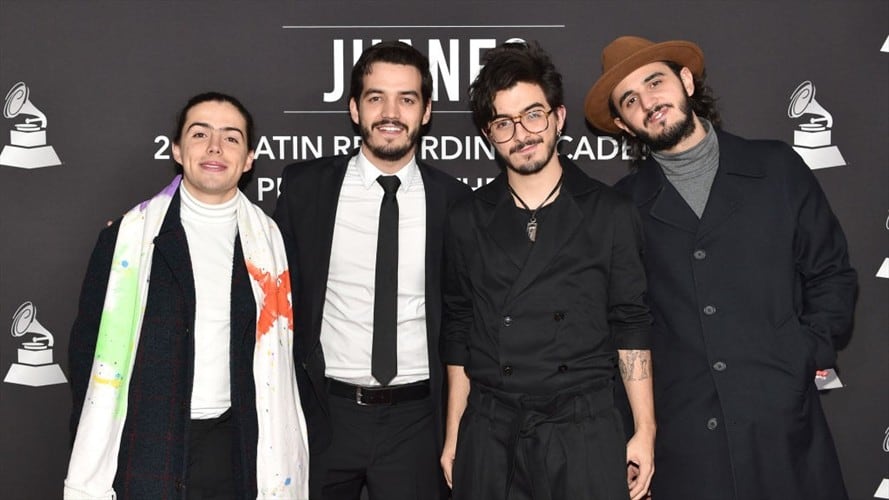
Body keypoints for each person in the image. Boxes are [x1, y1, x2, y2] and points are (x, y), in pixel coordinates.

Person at [584, 35, 857, 500]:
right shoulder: (622, 209)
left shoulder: (776, 168)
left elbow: (831, 272)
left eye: (655, 82)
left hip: (782, 428)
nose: (648, 102)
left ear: (686, 81)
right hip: (686, 444)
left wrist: (802, 353)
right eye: (629, 100)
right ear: (623, 124)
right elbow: (621, 326)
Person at [65, 92, 309, 499]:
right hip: (144, 446)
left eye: (231, 138)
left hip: (237, 449)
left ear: (249, 158)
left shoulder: (271, 244)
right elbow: (87, 351)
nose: (215, 147)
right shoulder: (126, 239)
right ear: (177, 150)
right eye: (200, 134)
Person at [440, 41, 655, 500]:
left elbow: (630, 324)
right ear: (488, 134)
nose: (522, 134)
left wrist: (644, 429)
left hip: (584, 429)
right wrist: (455, 432)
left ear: (558, 118)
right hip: (491, 430)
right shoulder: (467, 218)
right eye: (504, 123)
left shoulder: (609, 212)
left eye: (533, 115)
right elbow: (459, 328)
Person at [273, 41, 471, 500]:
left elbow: (465, 318)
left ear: (425, 113)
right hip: (323, 415)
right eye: (375, 97)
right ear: (354, 109)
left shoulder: (456, 203)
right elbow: (264, 282)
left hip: (417, 422)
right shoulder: (305, 189)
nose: (390, 112)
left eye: (407, 98)